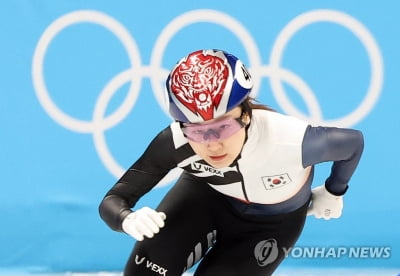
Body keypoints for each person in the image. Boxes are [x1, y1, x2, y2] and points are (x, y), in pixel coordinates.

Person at [99, 49, 364, 276]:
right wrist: (126, 219)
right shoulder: (176, 141)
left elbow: (353, 144)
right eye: (197, 131)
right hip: (203, 200)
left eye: (223, 127)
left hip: (268, 226)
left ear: (246, 116)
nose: (212, 143)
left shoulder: (292, 140)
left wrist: (334, 191)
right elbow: (113, 200)